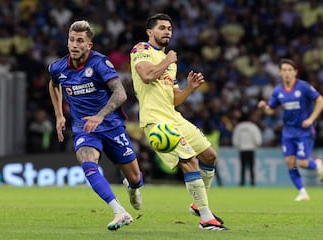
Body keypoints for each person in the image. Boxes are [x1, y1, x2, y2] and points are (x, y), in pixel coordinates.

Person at [130, 13, 228, 231]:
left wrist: (189, 89)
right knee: (189, 161)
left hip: (174, 117)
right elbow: (146, 76)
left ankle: (197, 204)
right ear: (149, 32)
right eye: (162, 28)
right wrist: (167, 60)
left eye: (170, 29)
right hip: (156, 122)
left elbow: (174, 98)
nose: (167, 32)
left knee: (210, 156)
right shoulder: (141, 50)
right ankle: (206, 218)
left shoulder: (170, 62)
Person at [48, 20, 143, 231]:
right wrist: (58, 115)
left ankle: (133, 188)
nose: (74, 44)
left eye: (80, 41)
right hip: (85, 128)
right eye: (71, 39)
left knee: (135, 178)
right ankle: (119, 211)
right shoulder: (58, 67)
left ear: (89, 45)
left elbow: (121, 94)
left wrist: (100, 116)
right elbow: (53, 84)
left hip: (110, 125)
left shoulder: (100, 64)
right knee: (87, 161)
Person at [258, 58, 323, 201]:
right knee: (290, 163)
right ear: (280, 73)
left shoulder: (303, 87)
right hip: (288, 132)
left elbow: (320, 100)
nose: (287, 73)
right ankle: (302, 192)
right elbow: (271, 110)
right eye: (284, 70)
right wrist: (264, 108)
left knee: (302, 163)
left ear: (295, 72)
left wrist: (311, 119)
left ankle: (317, 164)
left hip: (304, 131)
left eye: (290, 70)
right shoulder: (278, 91)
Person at [232, 111, 262, 186]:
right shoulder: (253, 126)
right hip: (251, 149)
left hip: (242, 149)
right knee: (251, 168)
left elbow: (235, 140)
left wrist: (238, 145)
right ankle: (252, 183)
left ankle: (242, 183)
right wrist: (255, 145)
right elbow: (258, 140)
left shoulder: (239, 127)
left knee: (242, 168)